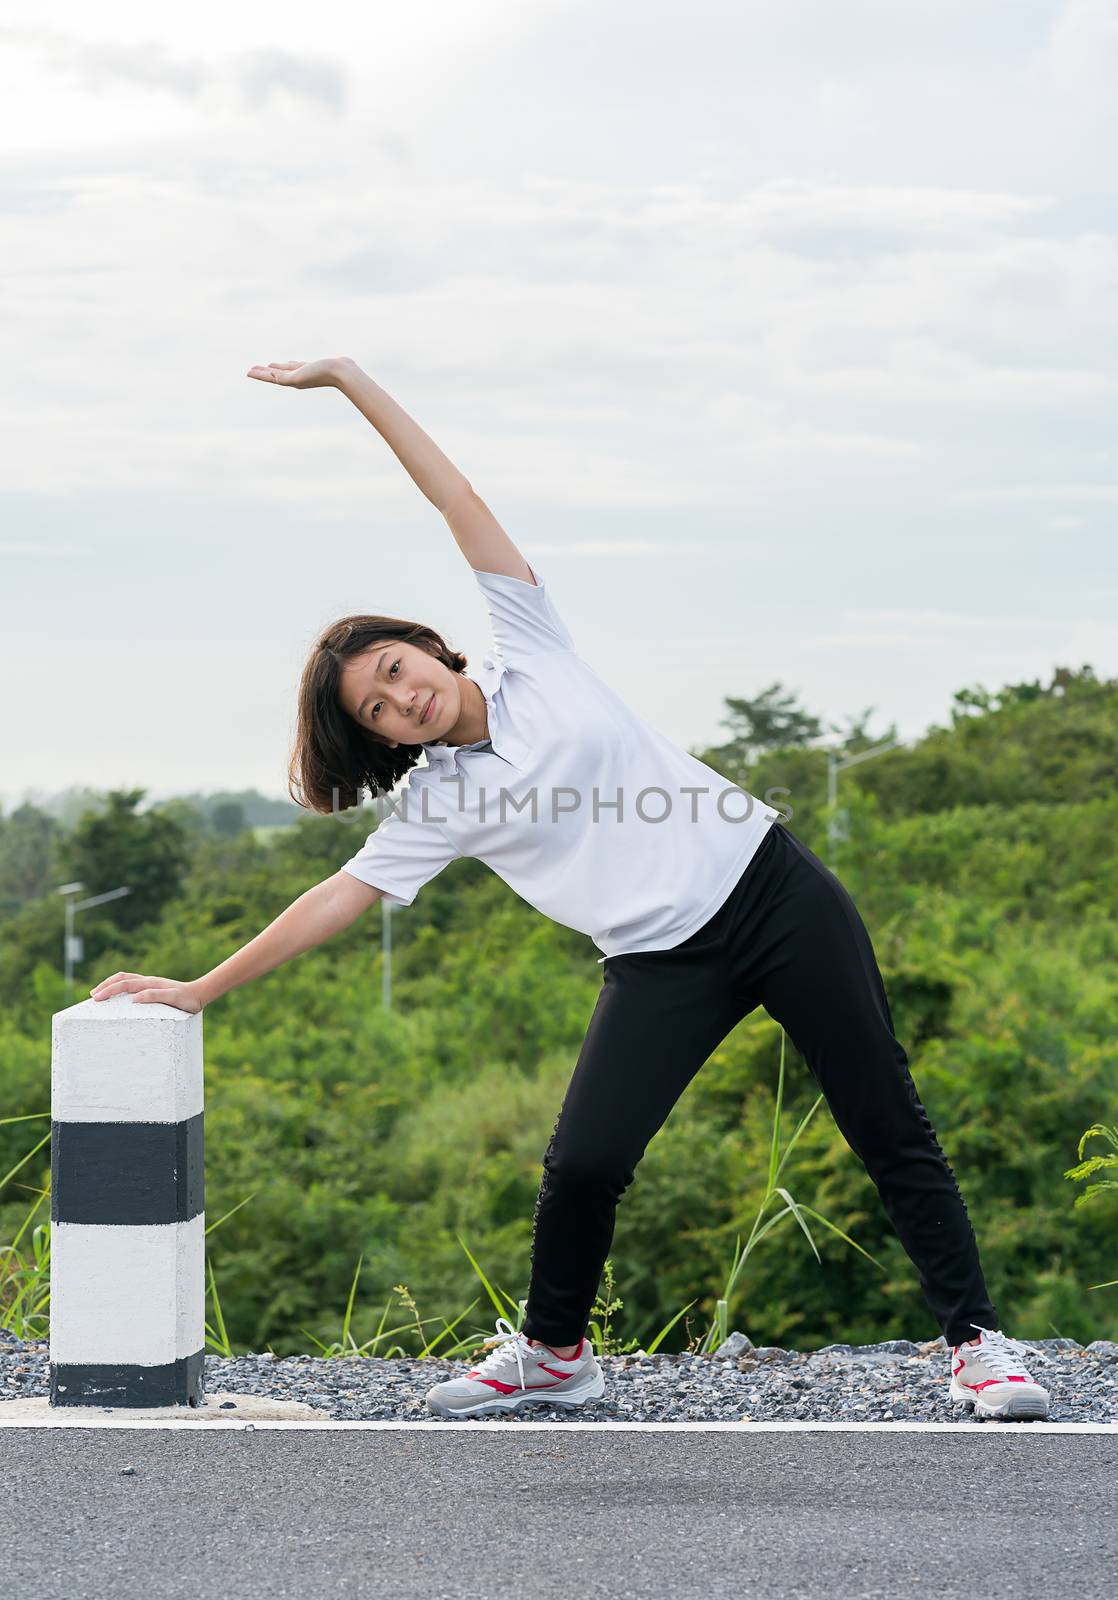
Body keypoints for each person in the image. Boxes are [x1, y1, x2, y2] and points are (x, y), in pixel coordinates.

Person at [90, 356, 1053, 1424]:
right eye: (374, 710)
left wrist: (349, 381)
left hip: (772, 893)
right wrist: (199, 987)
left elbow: (454, 497)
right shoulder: (437, 801)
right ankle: (554, 1353)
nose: (400, 700)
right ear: (373, 735)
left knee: (883, 1116)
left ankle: (978, 1347)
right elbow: (339, 897)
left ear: (423, 642)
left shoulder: (533, 651)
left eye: (396, 670)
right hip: (658, 960)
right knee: (585, 1159)